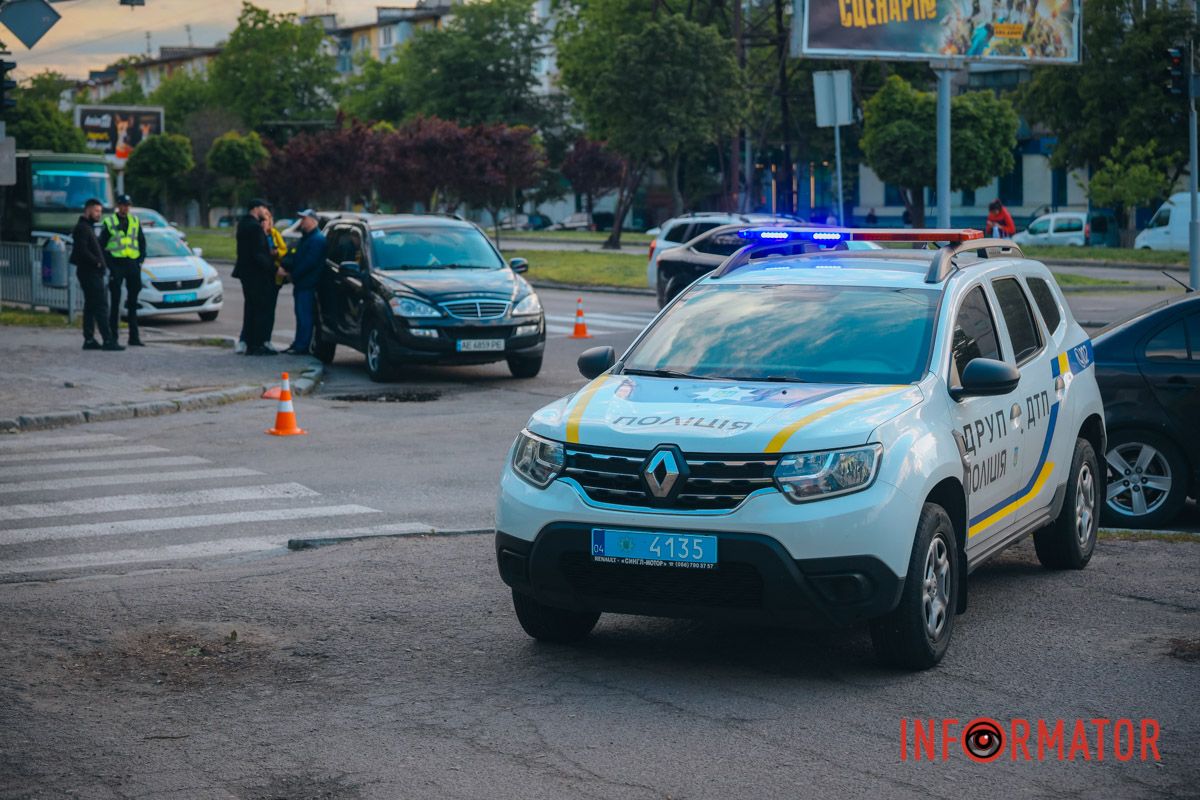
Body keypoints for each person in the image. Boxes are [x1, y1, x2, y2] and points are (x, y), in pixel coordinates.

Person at [69, 198, 123, 351]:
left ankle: (89, 339)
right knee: (101, 305)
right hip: (90, 272)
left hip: (91, 272)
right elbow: (82, 250)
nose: (99, 214)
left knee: (91, 306)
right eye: (96, 211)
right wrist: (97, 262)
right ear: (88, 210)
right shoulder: (82, 228)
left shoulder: (88, 227)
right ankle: (108, 340)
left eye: (100, 211)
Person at [99, 194, 147, 347]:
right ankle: (113, 337)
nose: (125, 208)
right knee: (115, 302)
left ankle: (134, 337)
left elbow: (141, 242)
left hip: (132, 264)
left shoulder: (134, 221)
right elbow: (102, 246)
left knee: (133, 302)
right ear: (118, 206)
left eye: (127, 205)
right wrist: (110, 265)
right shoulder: (109, 222)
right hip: (117, 265)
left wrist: (139, 261)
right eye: (123, 205)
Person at [233, 199, 277, 356]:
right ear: (256, 208)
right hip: (257, 274)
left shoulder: (243, 224)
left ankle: (250, 342)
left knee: (251, 307)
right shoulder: (254, 227)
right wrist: (273, 268)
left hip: (246, 273)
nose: (264, 211)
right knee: (259, 308)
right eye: (263, 208)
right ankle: (257, 344)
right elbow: (258, 253)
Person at [284, 209, 326, 355]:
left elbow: (309, 263)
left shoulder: (317, 240)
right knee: (300, 315)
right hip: (302, 283)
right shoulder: (307, 238)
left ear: (313, 221)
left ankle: (302, 346)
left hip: (308, 284)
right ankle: (298, 343)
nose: (302, 222)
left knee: (305, 316)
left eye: (304, 219)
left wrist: (292, 275)